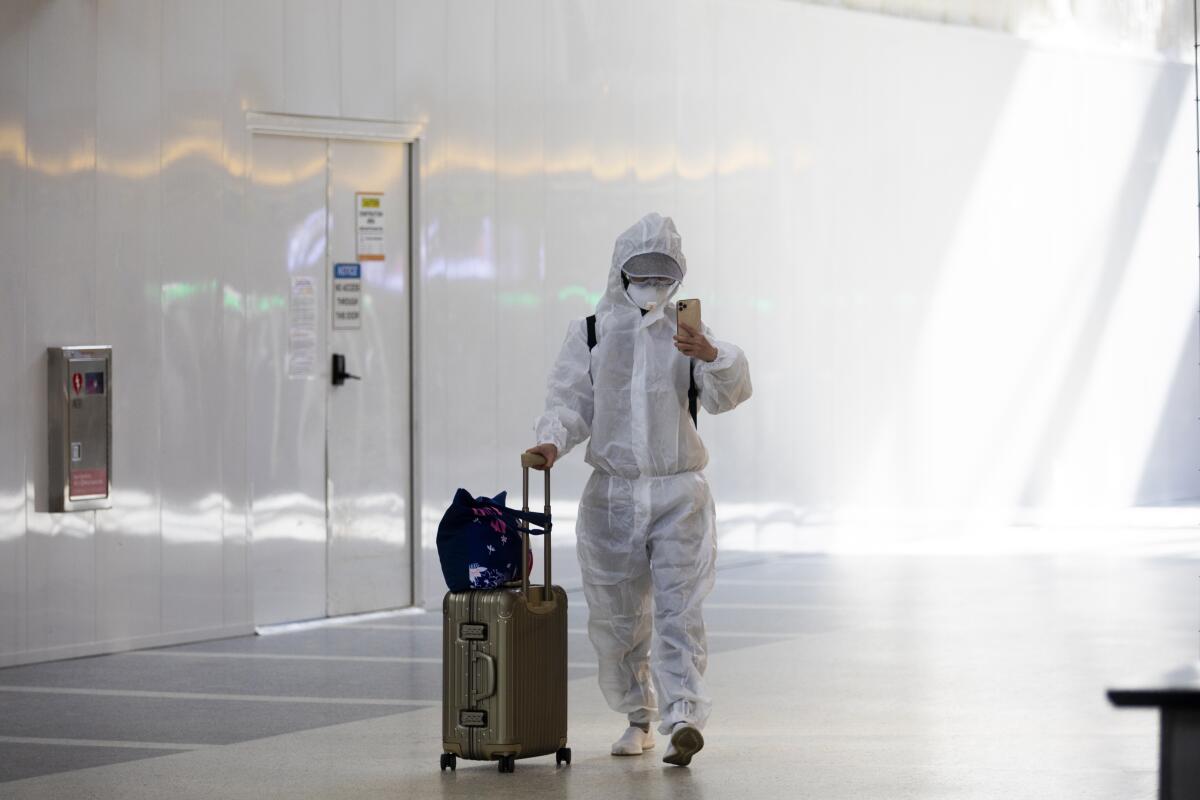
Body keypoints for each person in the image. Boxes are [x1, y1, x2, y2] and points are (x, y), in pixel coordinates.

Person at [527, 212, 752, 767]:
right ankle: (639, 717)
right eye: (642, 271)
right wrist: (551, 442)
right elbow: (569, 402)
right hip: (614, 494)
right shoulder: (592, 332)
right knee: (615, 616)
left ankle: (682, 718)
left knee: (680, 612)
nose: (653, 282)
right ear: (620, 271)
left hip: (679, 492)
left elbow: (730, 391)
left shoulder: (686, 335)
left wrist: (712, 355)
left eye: (663, 272)